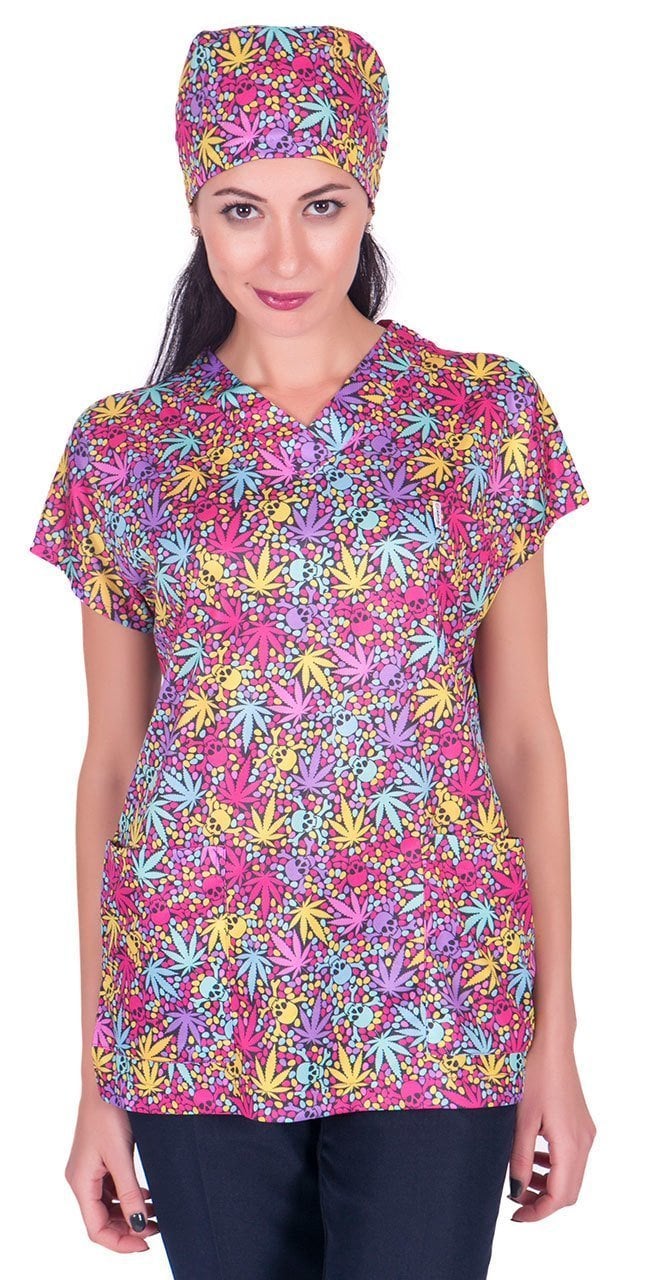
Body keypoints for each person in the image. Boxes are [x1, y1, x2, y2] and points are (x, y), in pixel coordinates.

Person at [28, 21, 597, 1280]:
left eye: (322, 206)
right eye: (242, 210)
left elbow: (522, 738)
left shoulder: (480, 417)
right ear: (194, 207)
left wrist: (555, 1040)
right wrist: (99, 1076)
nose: (284, 255)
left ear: (369, 199)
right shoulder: (125, 450)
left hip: (437, 997)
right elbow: (113, 764)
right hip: (195, 1001)